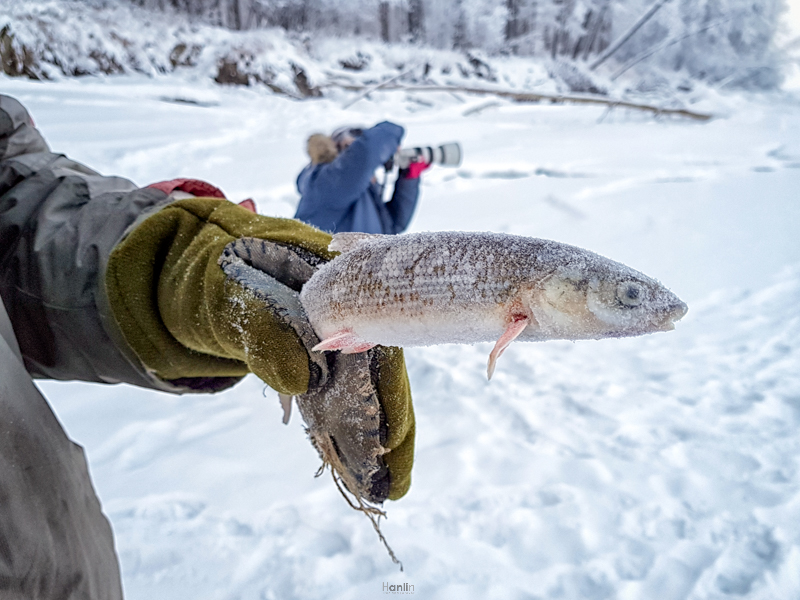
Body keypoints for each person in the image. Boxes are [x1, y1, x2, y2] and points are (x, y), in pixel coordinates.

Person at [0, 95, 415, 598]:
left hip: (55, 556)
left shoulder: (363, 183)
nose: (360, 153)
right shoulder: (326, 178)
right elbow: (359, 161)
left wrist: (174, 271)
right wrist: (386, 129)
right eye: (350, 145)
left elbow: (393, 225)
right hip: (330, 283)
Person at [294, 122, 429, 234]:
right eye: (350, 149)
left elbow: (390, 228)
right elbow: (366, 154)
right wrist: (392, 130)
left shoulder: (360, 190)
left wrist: (408, 179)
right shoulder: (325, 182)